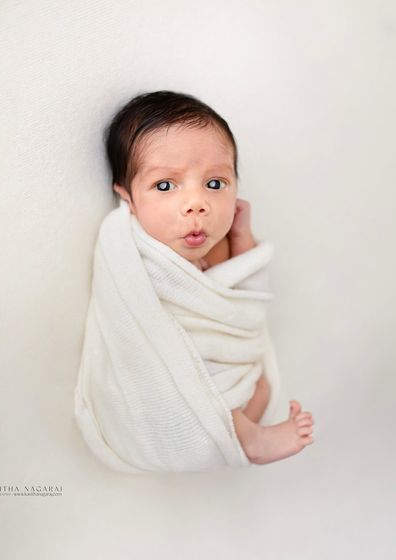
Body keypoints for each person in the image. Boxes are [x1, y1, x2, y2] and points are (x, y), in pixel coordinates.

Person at [104, 90, 314, 465]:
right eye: (165, 186)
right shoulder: (135, 249)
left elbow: (248, 294)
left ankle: (238, 423)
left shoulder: (223, 239)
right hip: (180, 368)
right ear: (128, 199)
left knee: (261, 386)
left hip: (232, 361)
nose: (197, 203)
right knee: (191, 381)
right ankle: (247, 438)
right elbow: (139, 326)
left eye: (215, 184)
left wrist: (240, 235)